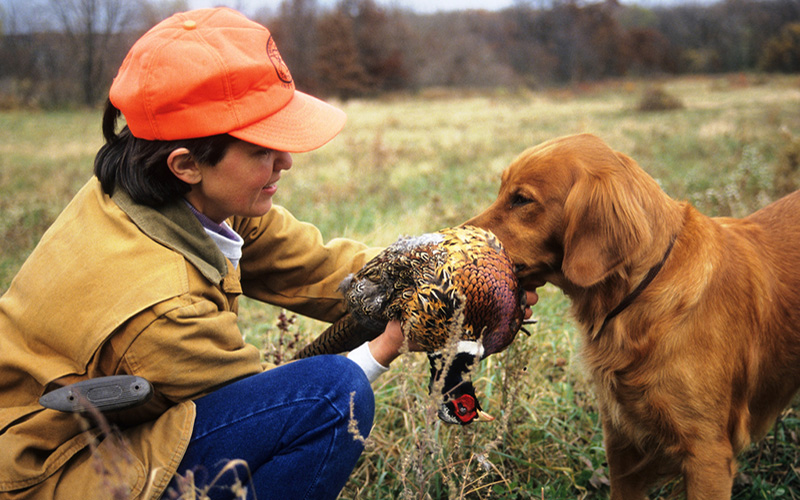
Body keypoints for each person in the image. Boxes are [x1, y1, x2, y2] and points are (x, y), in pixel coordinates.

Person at [0, 7, 538, 500]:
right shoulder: (158, 309)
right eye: (261, 148)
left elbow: (318, 267)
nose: (286, 160)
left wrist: (435, 271)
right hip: (52, 473)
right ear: (186, 163)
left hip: (98, 428)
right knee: (334, 398)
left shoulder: (165, 191)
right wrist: (390, 343)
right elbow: (276, 405)